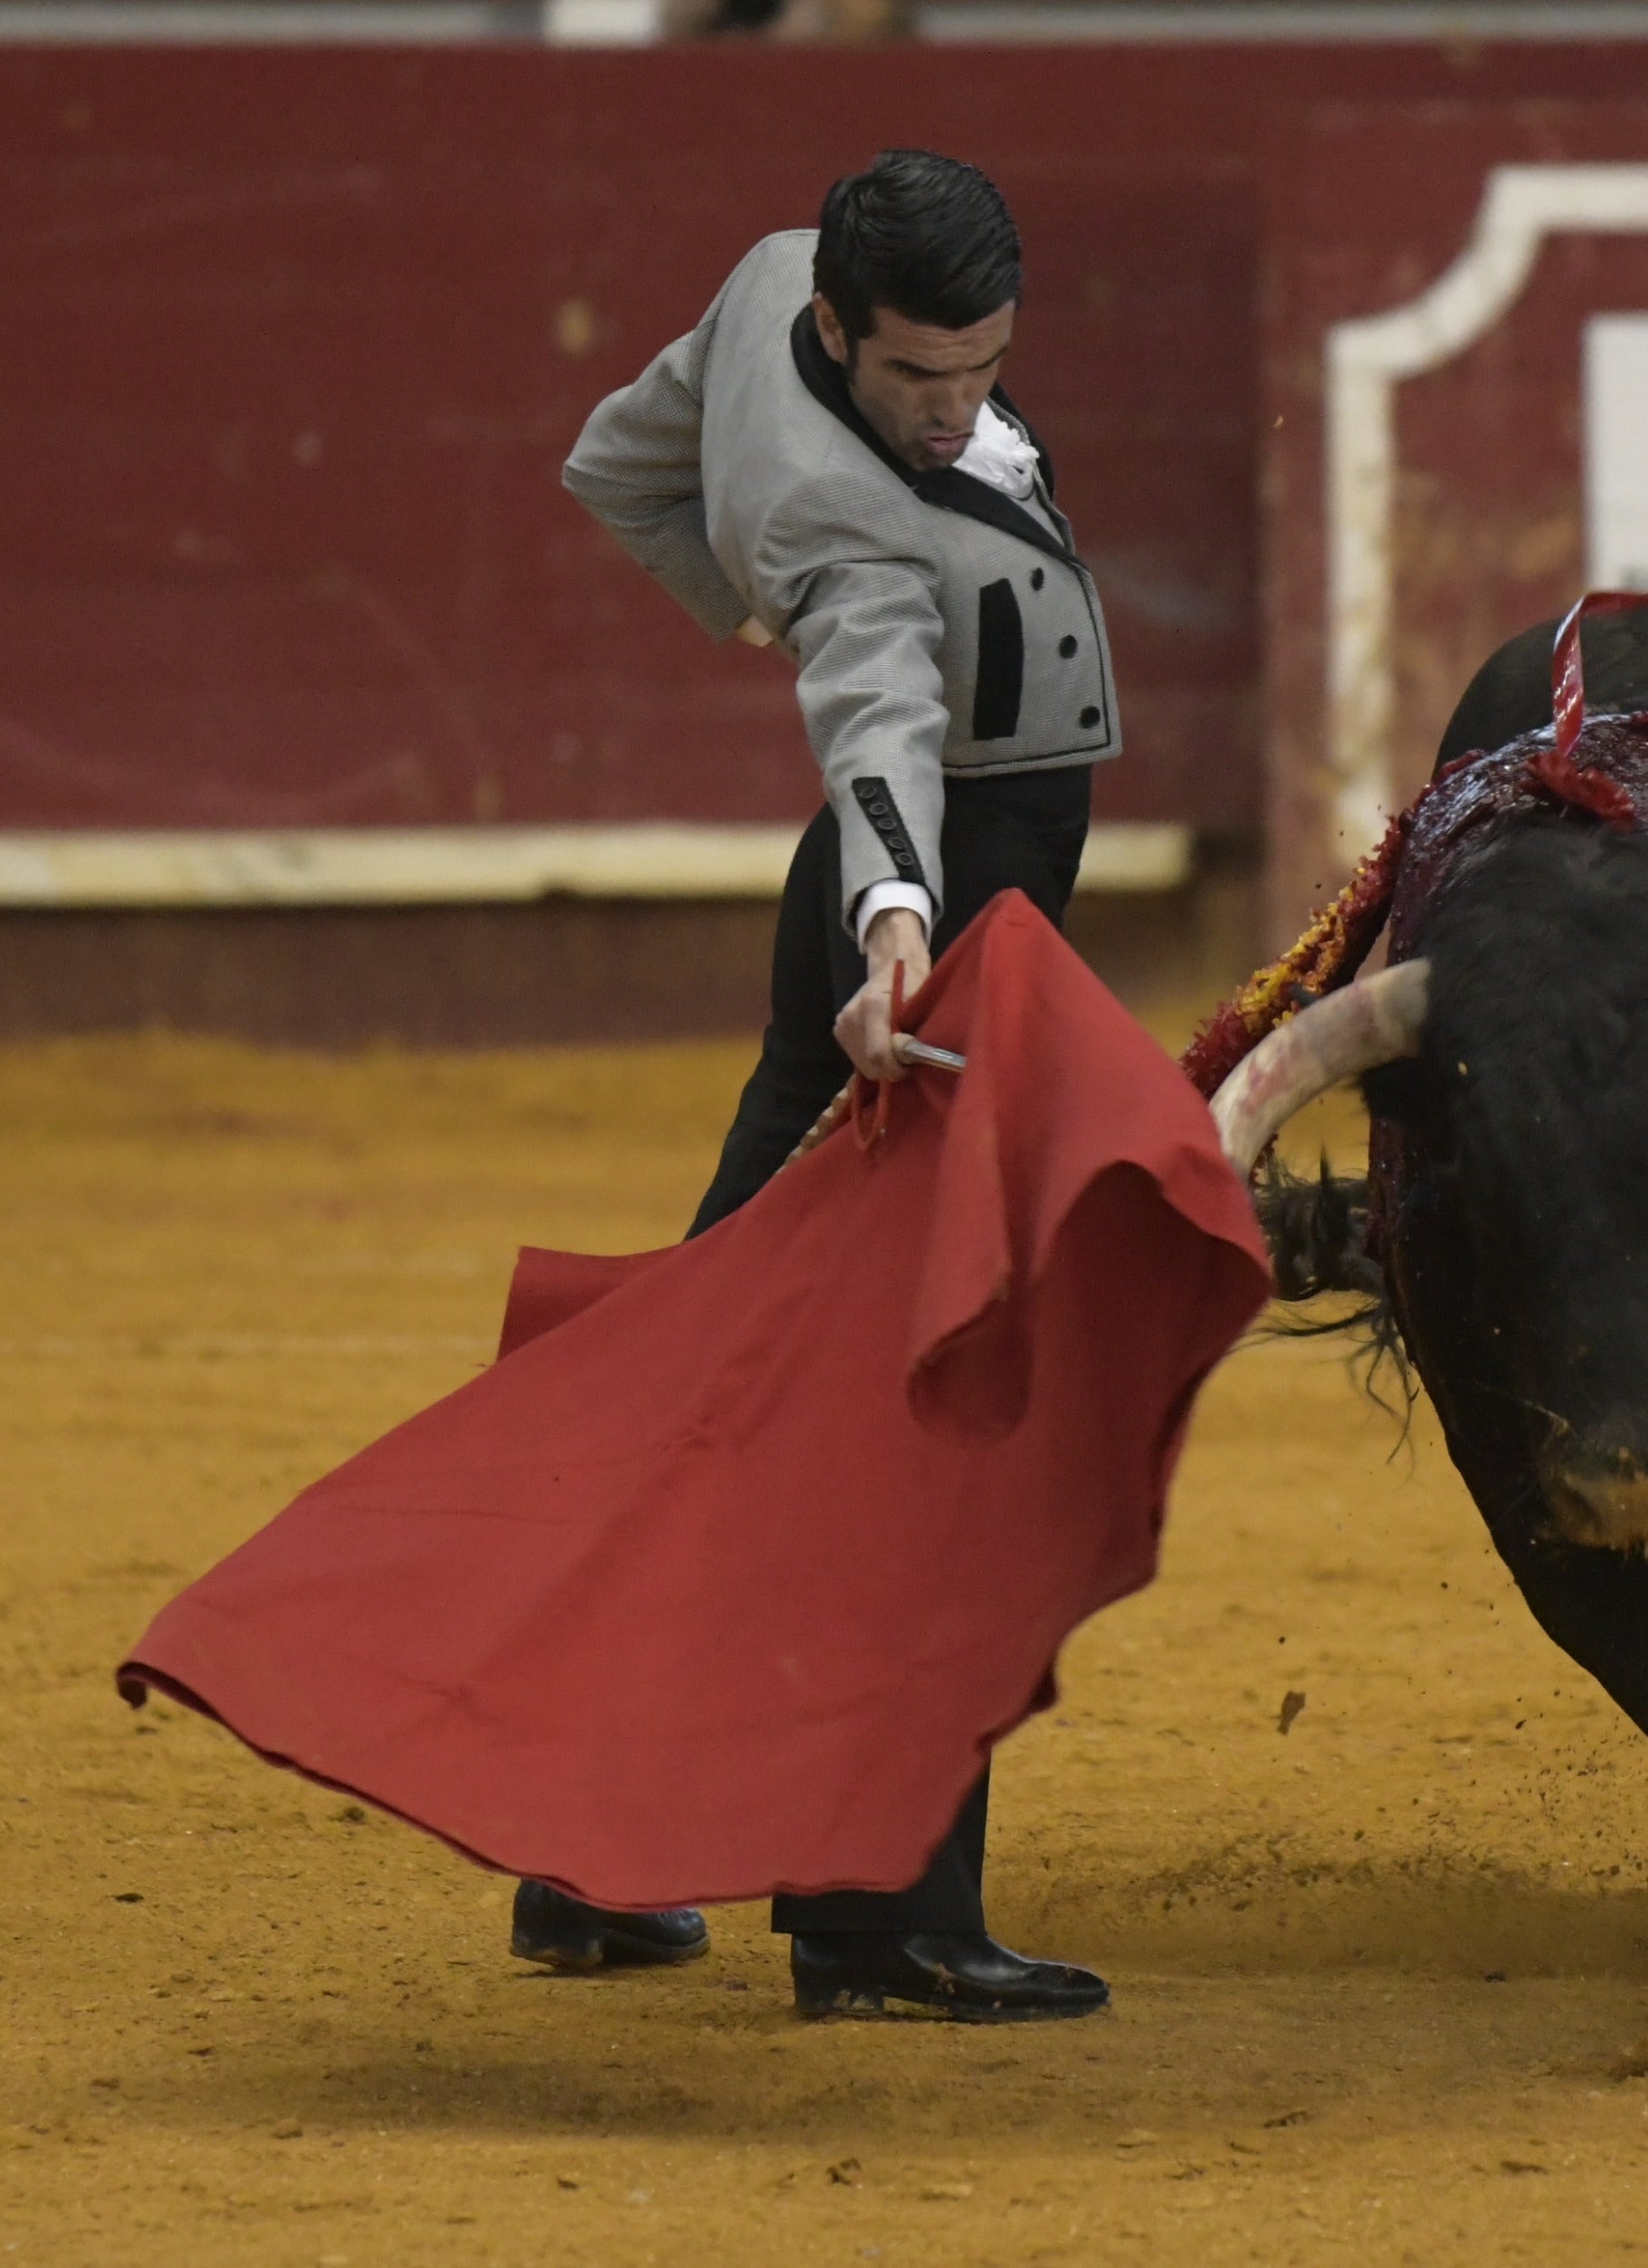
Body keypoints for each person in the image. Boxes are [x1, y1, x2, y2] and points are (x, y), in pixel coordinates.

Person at [514, 149, 1120, 2023]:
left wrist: (728, 572)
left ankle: (586, 1856)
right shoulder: (854, 537)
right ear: (839, 334)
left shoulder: (783, 263)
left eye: (982, 371)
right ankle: (883, 1918)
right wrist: (890, 931)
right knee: (927, 1403)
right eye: (916, 381)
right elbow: (874, 718)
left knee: (730, 1383)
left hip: (922, 925)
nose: (953, 413)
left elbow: (612, 458)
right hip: (926, 949)